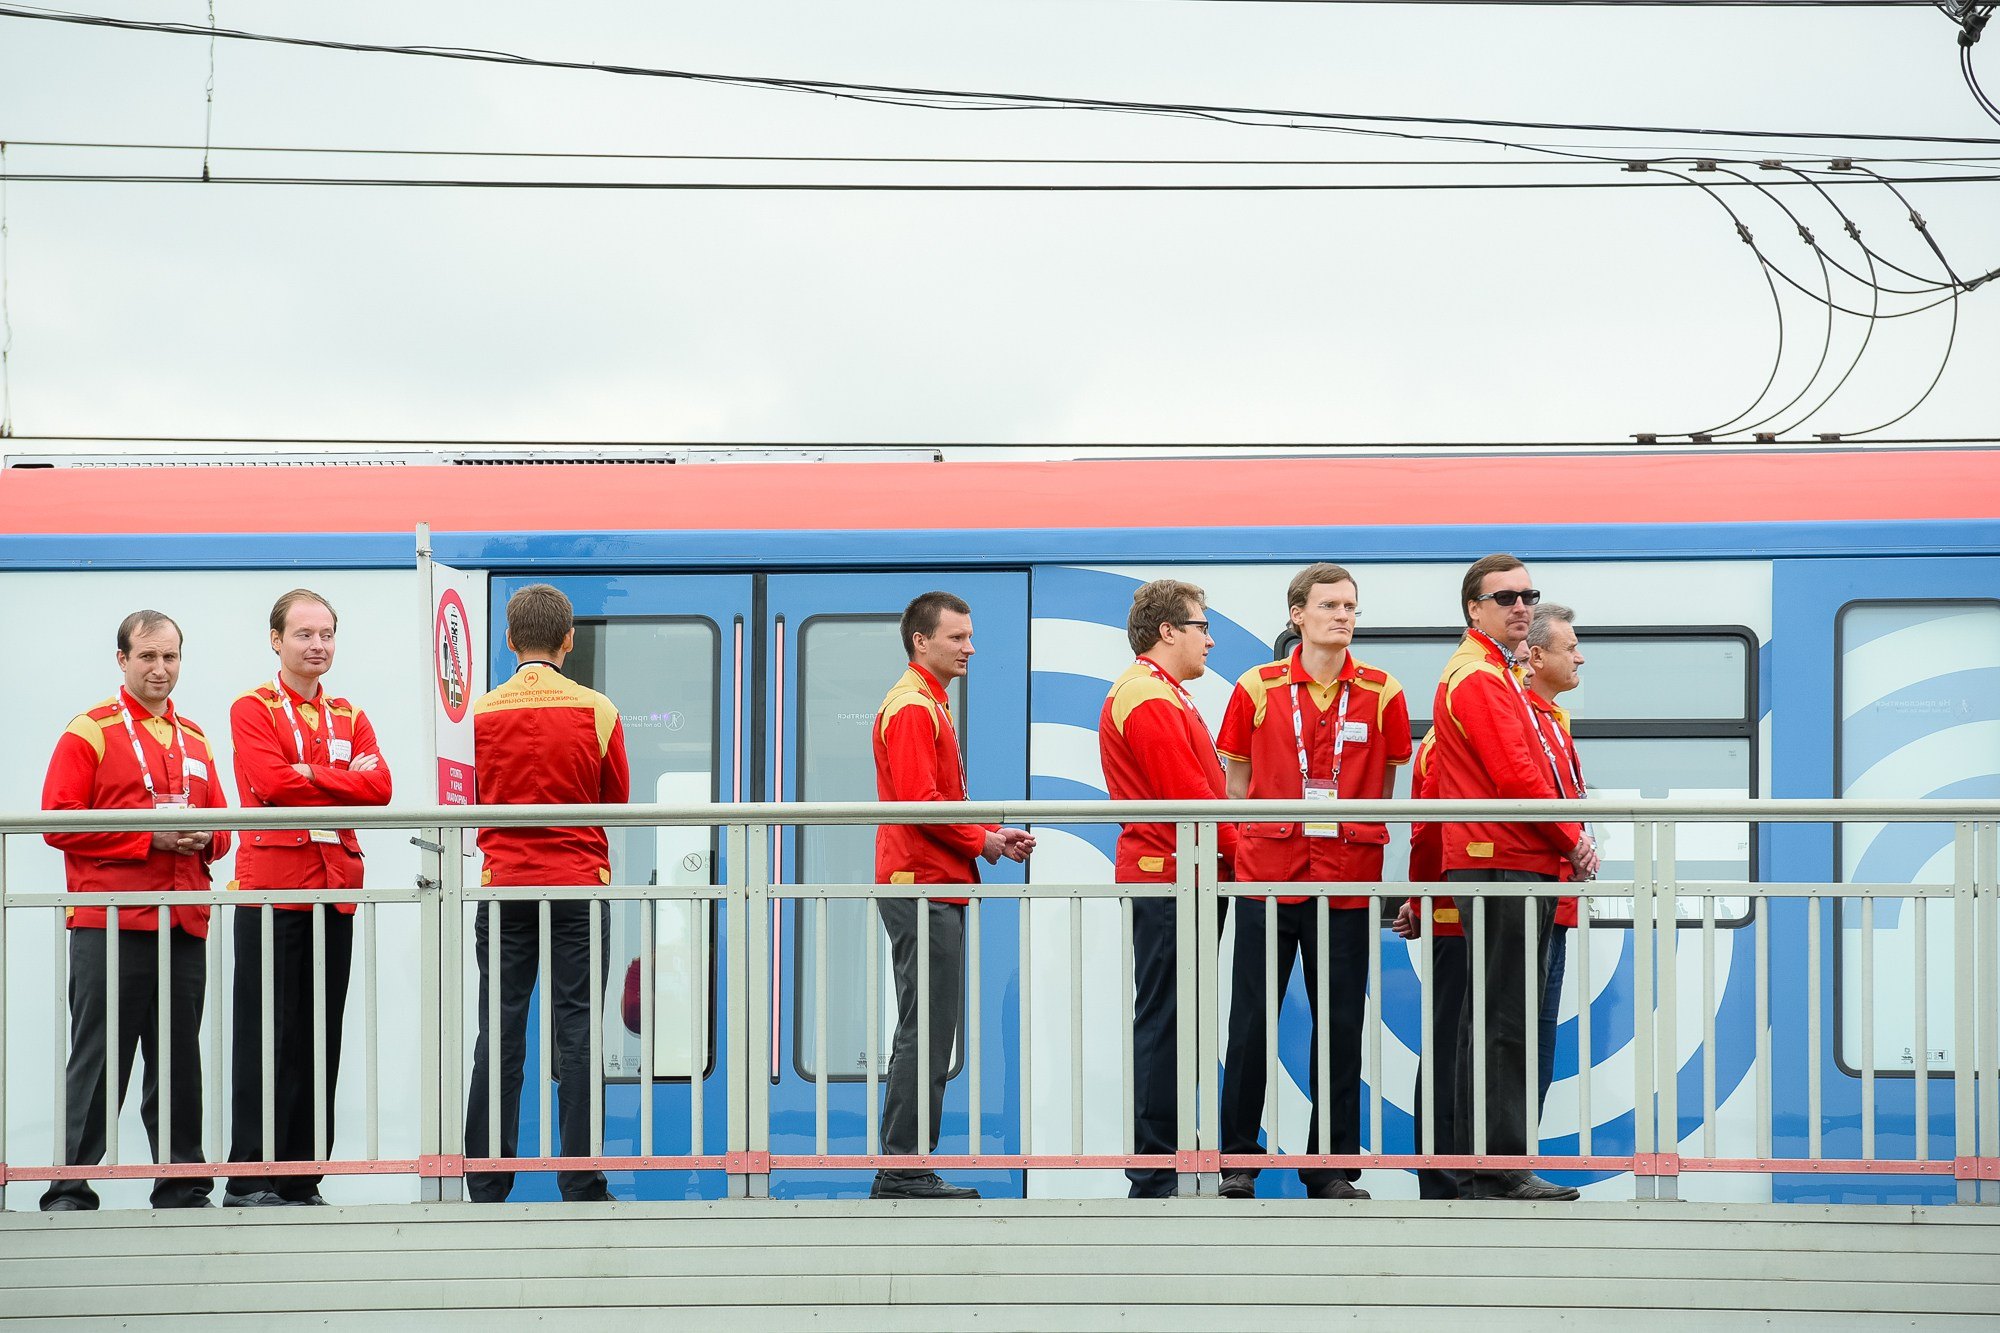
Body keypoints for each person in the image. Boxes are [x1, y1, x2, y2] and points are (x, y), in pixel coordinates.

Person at [1214, 563, 1412, 1201]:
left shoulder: (1384, 691)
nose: (1344, 616)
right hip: (1267, 880)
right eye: (1329, 605)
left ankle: (1329, 1168)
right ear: (1297, 614)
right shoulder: (1257, 687)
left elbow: (1383, 791)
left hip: (1348, 881)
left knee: (1340, 1026)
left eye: (1351, 606)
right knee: (1249, 1025)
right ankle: (1237, 1162)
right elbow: (1236, 789)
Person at [40, 611, 232, 1211]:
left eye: (170, 657)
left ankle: (182, 1182)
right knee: (98, 1055)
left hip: (182, 920)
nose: (160, 669)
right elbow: (56, 821)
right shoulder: (90, 729)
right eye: (147, 657)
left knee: (179, 1059)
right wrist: (148, 839)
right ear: (121, 660)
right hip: (111, 920)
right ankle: (69, 1186)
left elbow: (226, 828)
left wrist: (208, 839)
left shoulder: (195, 736)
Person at [1430, 554, 1596, 1202]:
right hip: (1502, 858)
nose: (1522, 605)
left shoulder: (1491, 671)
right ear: (1475, 607)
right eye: (1506, 597)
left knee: (1499, 1016)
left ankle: (1490, 1161)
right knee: (1506, 1018)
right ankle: (1501, 1162)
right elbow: (1517, 779)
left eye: (1529, 595)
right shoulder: (1479, 677)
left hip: (1504, 856)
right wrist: (1574, 838)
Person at [225, 589, 393, 1207]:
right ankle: (248, 1178)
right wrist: (336, 782)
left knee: (321, 1038)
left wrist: (309, 778)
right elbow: (268, 783)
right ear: (276, 640)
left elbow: (380, 788)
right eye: (303, 635)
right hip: (272, 892)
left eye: (325, 634)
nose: (316, 645)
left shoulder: (349, 712)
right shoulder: (253, 707)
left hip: (334, 890)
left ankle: (300, 1178)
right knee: (268, 1036)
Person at [463, 584, 631, 1203]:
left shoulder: (481, 712)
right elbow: (617, 804)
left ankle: (485, 1179)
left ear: (509, 641)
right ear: (569, 640)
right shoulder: (598, 709)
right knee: (579, 1031)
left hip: (504, 887)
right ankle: (581, 1179)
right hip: (578, 888)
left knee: (499, 1031)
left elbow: (469, 798)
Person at [870, 591, 1034, 1200]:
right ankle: (903, 1168)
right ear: (921, 641)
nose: (970, 648)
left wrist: (983, 839)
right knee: (929, 1026)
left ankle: (905, 1164)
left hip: (929, 881)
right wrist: (985, 840)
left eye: (969, 636)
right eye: (957, 638)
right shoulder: (915, 707)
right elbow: (921, 801)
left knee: (930, 1024)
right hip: (923, 884)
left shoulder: (923, 701)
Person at [1098, 579, 1239, 1199]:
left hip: (1182, 876)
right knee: (1166, 1020)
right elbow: (1193, 800)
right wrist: (1252, 852)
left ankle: (1164, 1160)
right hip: (1172, 878)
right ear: (1169, 632)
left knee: (1173, 1018)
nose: (1210, 638)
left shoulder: (1162, 694)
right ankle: (1156, 1167)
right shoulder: (1149, 697)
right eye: (1202, 626)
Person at [1390, 727, 1468, 1201]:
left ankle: (1461, 1174)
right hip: (1458, 915)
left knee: (1459, 1047)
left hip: (1468, 912)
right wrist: (1421, 902)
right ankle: (1444, 1178)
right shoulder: (1454, 735)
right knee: (1450, 1048)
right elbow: (1429, 832)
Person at [1523, 603, 1589, 1113]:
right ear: (1537, 654)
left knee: (1539, 1049)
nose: (1581, 659)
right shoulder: (1517, 718)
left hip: (1557, 901)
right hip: (1531, 896)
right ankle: (1495, 1170)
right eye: (1571, 648)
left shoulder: (1553, 722)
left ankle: (1520, 1163)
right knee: (1518, 1045)